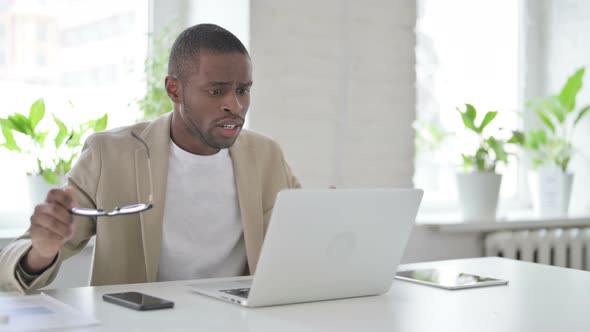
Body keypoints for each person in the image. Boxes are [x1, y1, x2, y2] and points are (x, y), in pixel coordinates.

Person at [0, 23, 300, 292]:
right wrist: (42, 250)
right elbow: (15, 266)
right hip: (140, 321)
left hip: (239, 322)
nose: (234, 105)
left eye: (243, 91)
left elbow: (300, 241)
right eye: (216, 91)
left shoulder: (266, 155)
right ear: (174, 89)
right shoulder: (109, 154)